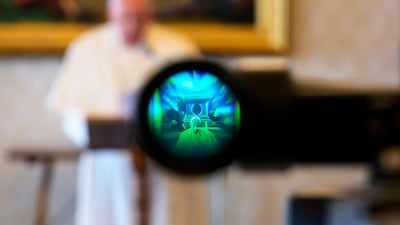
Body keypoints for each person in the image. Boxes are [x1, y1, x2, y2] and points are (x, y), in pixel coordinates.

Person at [45, 0, 200, 225]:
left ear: (151, 15)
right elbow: (71, 113)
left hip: (167, 164)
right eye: (126, 17)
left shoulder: (177, 48)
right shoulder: (88, 49)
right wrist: (104, 131)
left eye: (140, 18)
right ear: (111, 14)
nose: (133, 25)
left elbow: (200, 108)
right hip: (109, 164)